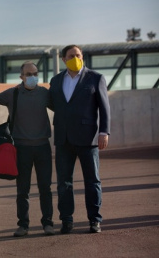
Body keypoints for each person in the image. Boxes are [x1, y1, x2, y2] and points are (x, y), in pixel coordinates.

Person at [49, 45, 111, 234]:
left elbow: (104, 107)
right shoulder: (56, 80)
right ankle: (67, 220)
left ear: (82, 57)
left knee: (92, 181)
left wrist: (104, 132)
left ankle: (95, 220)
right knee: (64, 183)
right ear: (63, 60)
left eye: (78, 55)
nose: (75, 58)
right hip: (64, 139)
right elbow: (54, 104)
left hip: (88, 139)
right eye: (71, 56)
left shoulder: (96, 78)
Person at [0, 61, 54, 237]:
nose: (32, 77)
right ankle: (23, 225)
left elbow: (62, 107)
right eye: (28, 74)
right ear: (21, 77)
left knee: (45, 188)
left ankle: (48, 223)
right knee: (22, 190)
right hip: (21, 148)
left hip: (42, 147)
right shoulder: (13, 94)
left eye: (35, 73)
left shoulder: (44, 94)